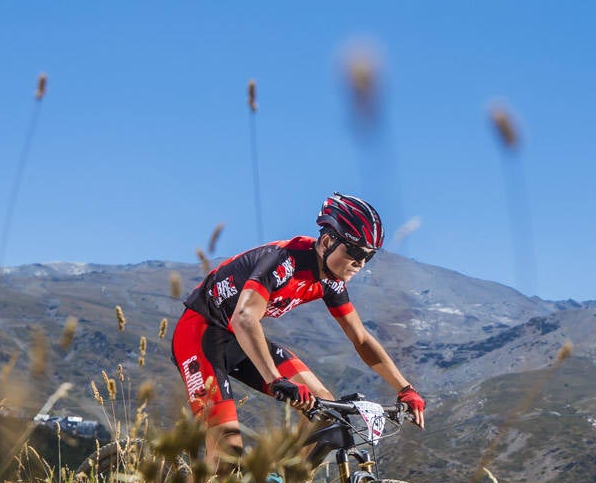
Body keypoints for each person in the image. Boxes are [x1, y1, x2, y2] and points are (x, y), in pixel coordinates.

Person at [171, 192, 426, 468]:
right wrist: (275, 379)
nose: (360, 263)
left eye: (369, 256)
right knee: (227, 457)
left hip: (240, 341)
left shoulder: (331, 281)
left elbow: (361, 339)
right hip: (199, 336)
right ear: (328, 241)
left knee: (326, 410)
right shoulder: (283, 261)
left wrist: (405, 388)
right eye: (355, 251)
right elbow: (244, 318)